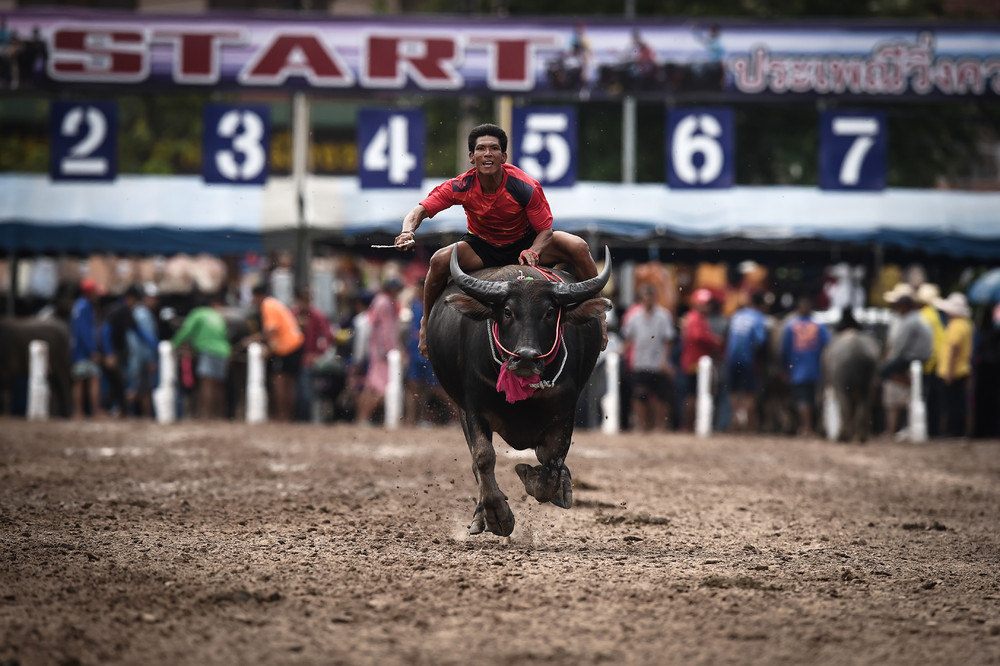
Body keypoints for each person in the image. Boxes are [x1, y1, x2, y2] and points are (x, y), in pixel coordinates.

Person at [393, 123, 601, 358]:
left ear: (504, 156)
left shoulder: (525, 186)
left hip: (526, 243)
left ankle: (601, 316)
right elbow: (419, 211)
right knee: (439, 260)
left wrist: (534, 250)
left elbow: (546, 231)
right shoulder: (460, 185)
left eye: (494, 149)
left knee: (578, 246)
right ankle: (425, 324)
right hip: (483, 246)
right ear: (472, 157)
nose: (487, 153)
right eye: (481, 149)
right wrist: (407, 231)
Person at [879, 283, 932, 439]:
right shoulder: (918, 318)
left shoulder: (909, 321)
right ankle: (911, 384)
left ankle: (910, 384)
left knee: (882, 371)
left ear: (905, 307)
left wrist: (888, 361)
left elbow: (900, 346)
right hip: (918, 357)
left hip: (911, 357)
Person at [622, 285, 676, 432]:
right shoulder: (634, 317)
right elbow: (629, 339)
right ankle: (642, 425)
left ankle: (660, 426)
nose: (648, 300)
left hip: (658, 362)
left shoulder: (663, 316)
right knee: (640, 395)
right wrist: (620, 351)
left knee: (661, 397)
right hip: (640, 361)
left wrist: (665, 360)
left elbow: (669, 340)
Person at [171, 291, 232, 420]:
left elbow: (185, 331)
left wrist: (174, 344)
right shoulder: (218, 315)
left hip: (208, 350)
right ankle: (220, 416)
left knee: (207, 382)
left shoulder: (197, 313)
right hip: (224, 351)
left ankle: (207, 416)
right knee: (219, 384)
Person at [249, 283, 305, 422]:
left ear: (258, 296)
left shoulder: (267, 306)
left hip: (287, 347)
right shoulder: (275, 303)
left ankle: (282, 416)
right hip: (296, 344)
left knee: (279, 381)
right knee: (288, 383)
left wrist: (253, 339)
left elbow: (272, 330)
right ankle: (288, 416)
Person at [101, 285, 159, 417]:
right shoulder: (116, 310)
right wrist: (109, 353)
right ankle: (109, 409)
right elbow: (105, 331)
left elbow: (140, 333)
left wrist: (156, 345)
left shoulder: (128, 313)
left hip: (119, 352)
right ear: (130, 298)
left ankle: (120, 411)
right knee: (118, 381)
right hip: (112, 352)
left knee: (118, 382)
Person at [780, 296, 831, 438]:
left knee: (802, 399)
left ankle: (806, 428)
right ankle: (816, 427)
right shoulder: (819, 325)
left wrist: (784, 369)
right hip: (816, 368)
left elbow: (783, 350)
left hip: (798, 369)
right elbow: (829, 344)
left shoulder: (790, 326)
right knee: (815, 399)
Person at [404, 279, 452, 427]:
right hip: (414, 352)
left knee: (437, 388)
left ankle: (458, 416)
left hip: (429, 352)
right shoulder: (413, 305)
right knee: (413, 387)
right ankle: (412, 420)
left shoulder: (433, 305)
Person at [356, 278, 403, 425]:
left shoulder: (378, 300)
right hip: (382, 353)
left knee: (371, 387)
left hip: (375, 350)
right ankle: (363, 418)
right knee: (381, 388)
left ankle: (361, 418)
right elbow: (387, 330)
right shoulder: (386, 303)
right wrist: (393, 350)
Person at [679, 288, 723, 431]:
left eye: (708, 304)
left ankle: (694, 424)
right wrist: (715, 341)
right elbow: (697, 336)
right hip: (694, 363)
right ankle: (689, 425)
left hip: (697, 362)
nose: (706, 306)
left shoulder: (697, 317)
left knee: (697, 394)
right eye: (703, 303)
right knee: (694, 395)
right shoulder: (694, 317)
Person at [725, 291, 769, 433]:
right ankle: (749, 425)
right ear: (762, 305)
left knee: (734, 391)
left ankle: (735, 419)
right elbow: (760, 341)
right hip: (747, 358)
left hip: (731, 357)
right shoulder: (758, 318)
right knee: (750, 392)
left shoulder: (737, 314)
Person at [934, 292, 974, 438]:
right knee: (959, 402)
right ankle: (959, 431)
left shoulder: (956, 326)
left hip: (953, 371)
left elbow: (954, 349)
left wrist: (949, 372)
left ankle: (953, 431)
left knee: (952, 404)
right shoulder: (967, 325)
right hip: (962, 370)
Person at [293, 286, 335, 422]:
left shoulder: (316, 315)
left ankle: (305, 419)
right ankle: (297, 417)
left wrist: (317, 353)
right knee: (295, 390)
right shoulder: (293, 314)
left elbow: (328, 337)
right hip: (292, 358)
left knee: (306, 392)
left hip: (307, 359)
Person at [70, 277, 105, 419]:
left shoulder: (79, 306)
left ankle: (79, 412)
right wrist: (92, 350)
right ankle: (94, 411)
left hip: (78, 350)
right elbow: (84, 331)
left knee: (80, 381)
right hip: (84, 351)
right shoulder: (85, 307)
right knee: (93, 378)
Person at [126, 282, 160, 418]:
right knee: (141, 389)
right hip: (140, 357)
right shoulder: (143, 314)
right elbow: (146, 339)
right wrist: (151, 358)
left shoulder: (138, 312)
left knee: (141, 388)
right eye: (152, 298)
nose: (155, 301)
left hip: (136, 357)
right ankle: (122, 411)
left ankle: (141, 415)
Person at [917, 283, 946, 437]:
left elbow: (929, 343)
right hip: (939, 362)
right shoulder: (935, 314)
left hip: (930, 363)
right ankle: (934, 431)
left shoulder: (924, 316)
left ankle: (930, 431)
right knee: (935, 400)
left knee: (928, 399)